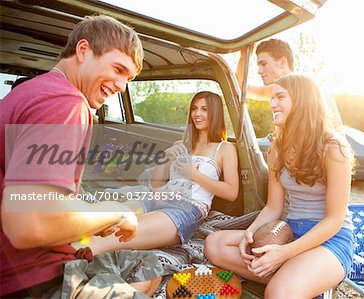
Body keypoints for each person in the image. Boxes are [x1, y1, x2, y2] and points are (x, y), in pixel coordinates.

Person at [0, 15, 159, 297]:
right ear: (83, 50)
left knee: (150, 264)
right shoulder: (66, 102)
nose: (122, 85)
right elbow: (29, 222)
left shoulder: (30, 93)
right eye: (118, 69)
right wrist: (115, 213)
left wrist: (93, 220)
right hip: (34, 278)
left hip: (35, 260)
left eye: (129, 78)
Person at [205, 74, 355, 298]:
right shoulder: (277, 149)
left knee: (277, 293)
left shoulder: (333, 148)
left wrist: (285, 253)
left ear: (303, 100)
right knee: (214, 244)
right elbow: (274, 207)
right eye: (272, 98)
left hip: (330, 239)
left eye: (280, 97)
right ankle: (298, 279)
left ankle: (292, 279)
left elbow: (334, 219)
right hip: (289, 232)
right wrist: (250, 232)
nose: (272, 104)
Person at [83, 91, 239, 255]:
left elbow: (231, 192)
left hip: (185, 209)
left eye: (204, 109)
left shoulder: (225, 148)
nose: (197, 114)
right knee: (99, 221)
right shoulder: (182, 145)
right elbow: (156, 184)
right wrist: (166, 157)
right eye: (194, 108)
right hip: (156, 198)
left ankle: (64, 266)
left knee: (110, 237)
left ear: (215, 113)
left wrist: (194, 174)